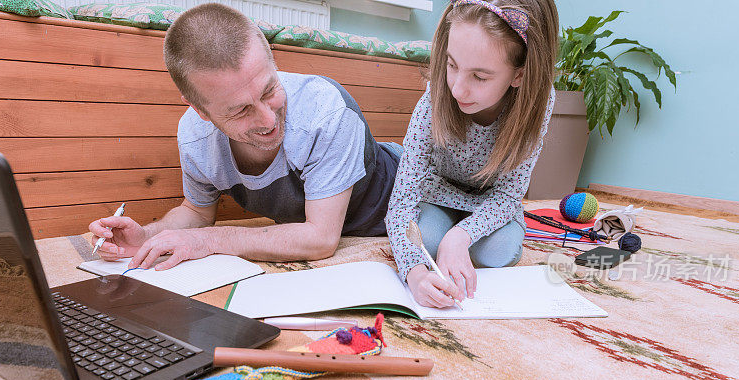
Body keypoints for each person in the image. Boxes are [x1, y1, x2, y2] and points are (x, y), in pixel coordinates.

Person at [89, 3, 400, 270]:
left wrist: (210, 241)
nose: (268, 120)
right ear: (200, 110)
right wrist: (146, 236)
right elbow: (197, 212)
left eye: (269, 90)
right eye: (240, 111)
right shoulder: (196, 139)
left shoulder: (326, 111)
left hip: (405, 198)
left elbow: (320, 239)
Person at [384, 0, 558, 308]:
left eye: (479, 77)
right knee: (425, 244)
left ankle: (458, 236)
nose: (457, 89)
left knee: (498, 252)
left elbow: (508, 196)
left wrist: (461, 236)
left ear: (519, 75)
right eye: (452, 65)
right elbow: (401, 203)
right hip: (438, 194)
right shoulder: (436, 95)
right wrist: (414, 273)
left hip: (491, 203)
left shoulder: (537, 104)